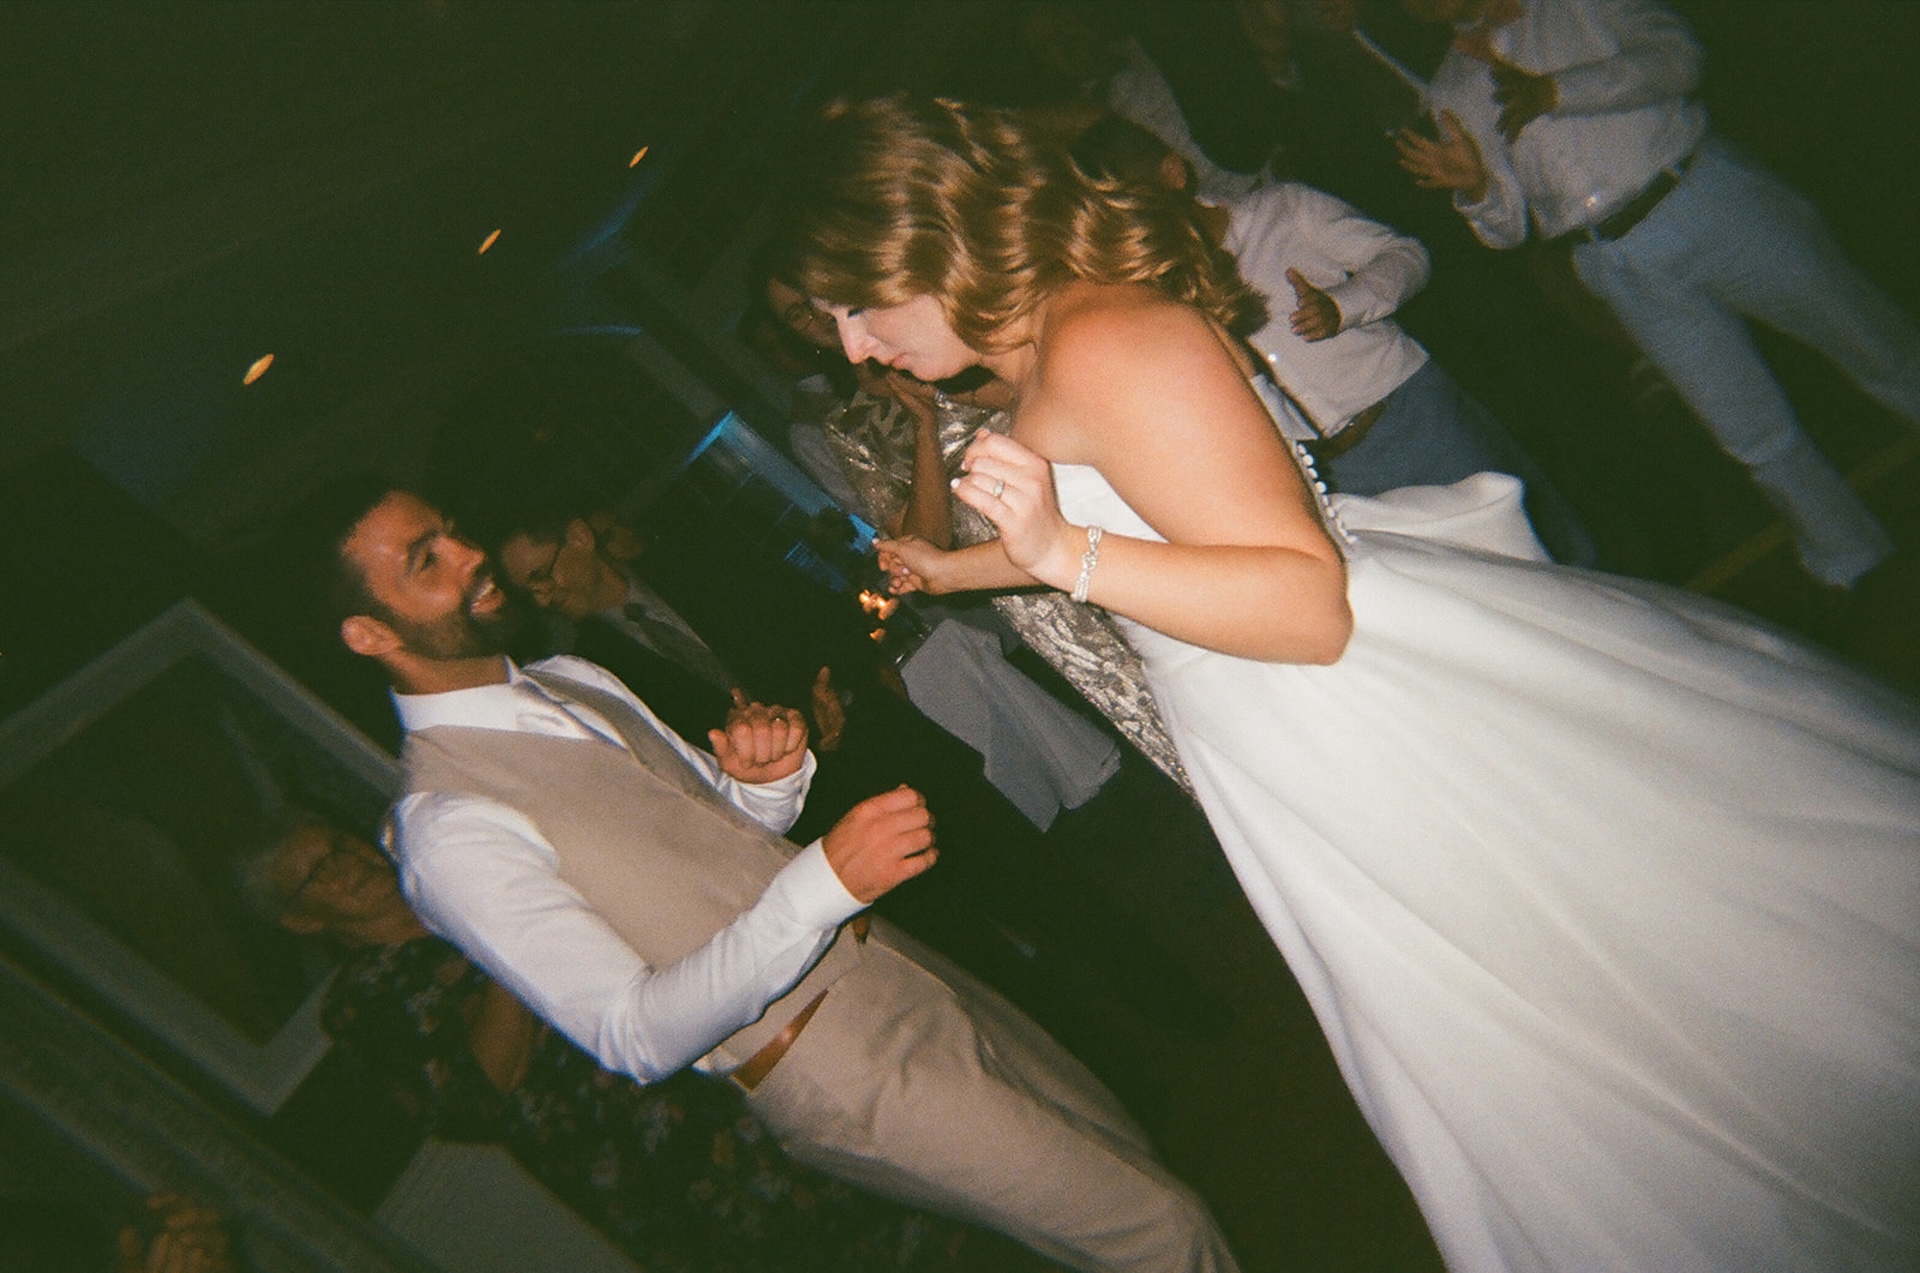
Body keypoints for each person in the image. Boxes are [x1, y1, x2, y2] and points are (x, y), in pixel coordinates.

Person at [768, 93, 1920, 1273]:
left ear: (938, 239)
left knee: (1571, 1007)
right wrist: (959, 565)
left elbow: (1306, 605)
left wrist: (1066, 554)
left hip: (1342, 717)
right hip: (1274, 732)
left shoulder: (1106, 338)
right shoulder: (1054, 349)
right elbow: (1145, 528)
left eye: (859, 301)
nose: (853, 346)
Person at [299, 479, 1239, 1273]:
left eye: (453, 533)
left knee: (1134, 1163)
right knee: (1162, 1230)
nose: (470, 556)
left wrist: (768, 782)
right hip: (826, 1059)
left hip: (896, 965)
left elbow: (725, 837)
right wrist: (824, 880)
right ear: (366, 634)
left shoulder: (572, 677)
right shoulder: (445, 827)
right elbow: (632, 1032)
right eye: (425, 560)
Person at [243, 810, 1039, 1273]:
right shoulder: (365, 1001)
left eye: (339, 842)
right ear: (300, 918)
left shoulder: (457, 899)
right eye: (317, 874)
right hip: (651, 1160)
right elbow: (479, 1092)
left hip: (736, 1073)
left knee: (939, 1212)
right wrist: (497, 942)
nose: (347, 862)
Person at [1392, 0, 1920, 589]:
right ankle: (1854, 565)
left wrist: (1557, 92)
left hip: (1706, 197)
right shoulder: (1449, 92)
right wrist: (1478, 187)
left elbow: (1678, 59)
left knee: (1872, 341)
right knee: (1749, 432)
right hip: (1615, 262)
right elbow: (1510, 226)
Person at [1070, 112, 1596, 565]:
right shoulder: (1153, 301)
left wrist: (1344, 306)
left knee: (1555, 556)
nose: (1123, 221)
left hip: (1411, 415)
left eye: (1127, 201)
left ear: (1172, 174)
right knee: (1488, 604)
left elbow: (1405, 255)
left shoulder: (1283, 210)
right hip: (1335, 479)